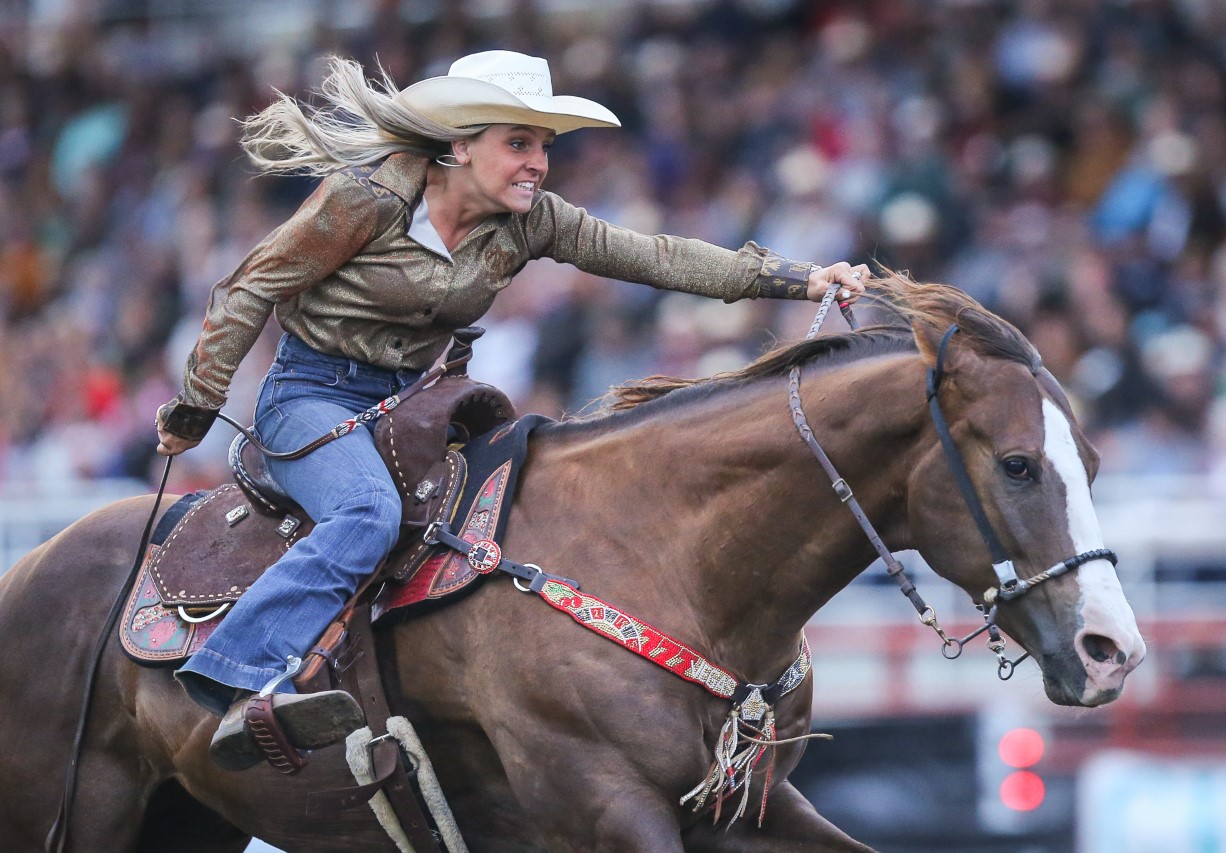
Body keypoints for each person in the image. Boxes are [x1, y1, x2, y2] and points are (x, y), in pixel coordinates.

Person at [155, 49, 868, 770]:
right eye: (519, 143)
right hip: (309, 397)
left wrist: (801, 279)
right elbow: (246, 288)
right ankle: (238, 677)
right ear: (460, 145)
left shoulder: (530, 222)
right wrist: (197, 405)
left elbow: (655, 256)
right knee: (365, 513)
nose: (538, 164)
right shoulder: (362, 200)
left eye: (545, 148)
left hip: (415, 403)